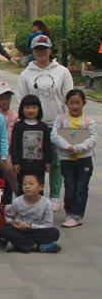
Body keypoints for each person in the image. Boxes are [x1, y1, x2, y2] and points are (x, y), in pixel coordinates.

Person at [16, 34, 73, 212]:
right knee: (34, 163)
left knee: (56, 163)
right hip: (32, 126)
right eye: (37, 49)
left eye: (44, 48)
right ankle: (35, 195)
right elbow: (21, 100)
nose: (40, 52)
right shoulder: (26, 74)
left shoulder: (62, 71)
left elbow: (68, 99)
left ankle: (55, 196)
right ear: (32, 51)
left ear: (50, 49)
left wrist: (67, 123)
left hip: (56, 124)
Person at [52, 89, 96, 228]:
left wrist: (77, 148)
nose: (75, 106)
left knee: (81, 188)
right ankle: (69, 212)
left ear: (84, 103)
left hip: (84, 160)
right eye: (71, 103)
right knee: (70, 187)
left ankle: (78, 215)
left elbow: (93, 139)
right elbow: (54, 135)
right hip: (67, 161)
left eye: (78, 103)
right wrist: (68, 147)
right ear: (66, 104)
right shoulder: (61, 119)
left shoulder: (89, 121)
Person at [0, 174, 62, 253]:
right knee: (4, 231)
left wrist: (31, 226)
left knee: (54, 233)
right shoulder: (17, 201)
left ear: (41, 187)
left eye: (31, 184)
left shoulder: (47, 204)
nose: (27, 186)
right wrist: (11, 223)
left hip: (34, 230)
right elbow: (7, 216)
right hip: (19, 230)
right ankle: (37, 246)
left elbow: (47, 225)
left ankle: (17, 244)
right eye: (24, 184)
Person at [11, 95, 52, 195]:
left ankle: (38, 208)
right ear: (22, 109)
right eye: (27, 107)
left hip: (39, 165)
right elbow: (14, 145)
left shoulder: (43, 127)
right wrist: (15, 162)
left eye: (34, 107)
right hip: (22, 166)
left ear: (39, 109)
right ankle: (22, 208)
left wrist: (48, 161)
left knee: (38, 187)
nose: (31, 110)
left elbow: (47, 145)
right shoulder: (18, 126)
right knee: (23, 187)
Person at [0, 81, 19, 197]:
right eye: (1, 98)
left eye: (7, 98)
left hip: (9, 153)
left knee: (11, 180)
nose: (5, 101)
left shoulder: (14, 115)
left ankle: (9, 203)